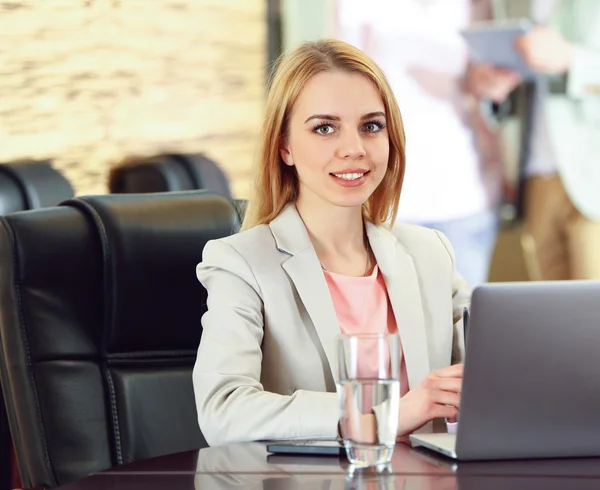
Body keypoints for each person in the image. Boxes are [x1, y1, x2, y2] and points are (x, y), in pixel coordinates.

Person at [192, 39, 470, 447]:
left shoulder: (430, 253)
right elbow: (223, 411)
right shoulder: (241, 263)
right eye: (325, 128)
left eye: (371, 126)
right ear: (284, 146)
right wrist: (388, 415)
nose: (354, 149)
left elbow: (497, 374)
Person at [334, 0, 522, 288]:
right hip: (388, 199)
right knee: (389, 324)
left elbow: (492, 88)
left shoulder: (475, 5)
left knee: (462, 327)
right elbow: (340, 86)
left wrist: (488, 85)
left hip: (466, 194)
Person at [490, 0, 600, 280]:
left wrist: (572, 59)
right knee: (555, 311)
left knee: (592, 314)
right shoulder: (512, 5)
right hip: (534, 175)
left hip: (590, 172)